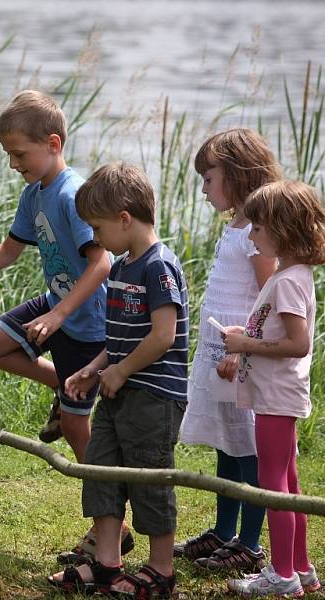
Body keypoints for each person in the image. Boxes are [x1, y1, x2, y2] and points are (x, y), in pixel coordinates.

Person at [0, 90, 133, 564]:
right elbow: (9, 250)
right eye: (8, 155)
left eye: (18, 154)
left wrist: (59, 315)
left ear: (53, 142)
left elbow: (102, 264)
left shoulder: (72, 194)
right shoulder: (33, 194)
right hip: (55, 307)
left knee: (74, 426)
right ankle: (59, 385)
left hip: (85, 324)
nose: (13, 164)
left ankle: (111, 527)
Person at [49, 162, 188, 597]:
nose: (93, 238)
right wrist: (93, 370)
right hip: (116, 390)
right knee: (101, 469)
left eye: (97, 227)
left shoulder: (158, 267)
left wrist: (122, 371)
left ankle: (160, 570)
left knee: (150, 478)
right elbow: (121, 339)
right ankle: (108, 564)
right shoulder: (125, 265)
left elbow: (163, 336)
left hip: (152, 396)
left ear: (124, 219)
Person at [174, 129, 280, 572]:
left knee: (249, 448)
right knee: (227, 444)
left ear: (237, 175)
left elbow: (269, 294)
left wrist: (244, 350)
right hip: (220, 355)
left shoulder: (256, 233)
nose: (203, 190)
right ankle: (225, 530)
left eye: (208, 178)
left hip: (241, 357)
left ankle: (251, 544)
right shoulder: (236, 225)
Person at [224, 180, 325, 597]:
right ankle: (300, 568)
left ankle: (281, 575)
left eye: (259, 228)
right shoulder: (292, 275)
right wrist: (243, 343)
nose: (251, 235)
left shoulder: (286, 281)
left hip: (277, 399)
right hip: (279, 395)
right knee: (290, 484)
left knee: (273, 486)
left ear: (283, 230)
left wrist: (245, 344)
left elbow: (298, 344)